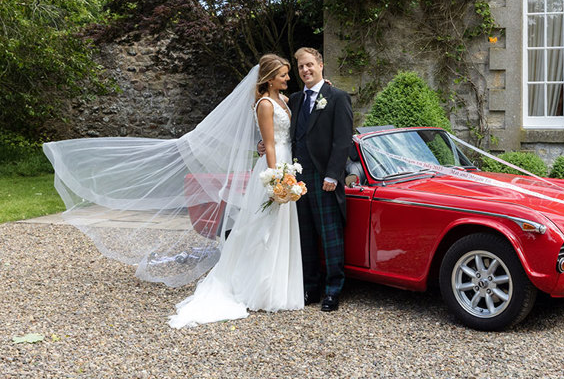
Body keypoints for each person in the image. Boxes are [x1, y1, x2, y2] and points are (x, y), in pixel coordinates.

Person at [44, 54, 304, 327]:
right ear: (270, 77)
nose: (288, 78)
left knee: (280, 227)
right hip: (274, 168)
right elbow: (269, 144)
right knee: (261, 227)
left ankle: (279, 285)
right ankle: (257, 287)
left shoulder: (284, 101)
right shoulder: (264, 104)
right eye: (284, 74)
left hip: (287, 163)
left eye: (288, 74)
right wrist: (276, 178)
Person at [289, 47, 353, 312]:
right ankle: (310, 288)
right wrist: (262, 144)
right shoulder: (294, 100)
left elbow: (342, 140)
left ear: (321, 65)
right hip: (297, 178)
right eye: (301, 67)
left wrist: (333, 175)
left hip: (323, 177)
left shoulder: (336, 97)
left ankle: (333, 291)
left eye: (309, 65)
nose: (305, 70)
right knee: (304, 236)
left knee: (330, 236)